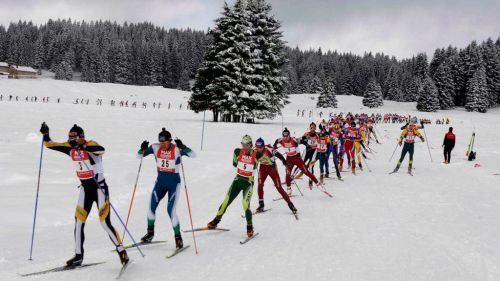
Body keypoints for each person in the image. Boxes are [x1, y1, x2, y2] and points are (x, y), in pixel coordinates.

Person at [39, 123, 128, 266]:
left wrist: (84, 147)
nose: (71, 142)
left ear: (81, 137)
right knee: (79, 222)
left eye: (74, 140)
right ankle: (78, 255)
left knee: (105, 223)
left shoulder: (91, 144)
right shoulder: (70, 148)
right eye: (70, 139)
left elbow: (101, 150)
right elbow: (50, 144)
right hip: (85, 190)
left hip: (99, 189)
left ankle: (121, 251)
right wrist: (45, 134)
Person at [138, 128, 196, 249]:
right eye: (160, 142)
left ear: (170, 140)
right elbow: (139, 156)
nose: (162, 145)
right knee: (150, 208)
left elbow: (193, 155)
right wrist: (142, 148)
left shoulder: (176, 149)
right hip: (160, 184)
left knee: (170, 210)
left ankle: (178, 238)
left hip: (174, 184)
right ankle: (150, 233)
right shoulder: (155, 147)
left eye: (165, 142)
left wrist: (183, 146)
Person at [206, 135, 273, 238]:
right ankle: (216, 220)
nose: (244, 147)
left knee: (245, 204)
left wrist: (271, 163)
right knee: (225, 202)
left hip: (248, 183)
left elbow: (268, 160)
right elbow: (234, 163)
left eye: (247, 145)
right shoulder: (237, 151)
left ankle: (249, 227)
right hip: (237, 181)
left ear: (251, 145)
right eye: (243, 144)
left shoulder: (257, 155)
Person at [254, 138, 297, 214]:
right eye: (257, 147)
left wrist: (284, 162)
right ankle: (261, 204)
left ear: (263, 146)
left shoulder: (269, 149)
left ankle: (290, 204)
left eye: (260, 147)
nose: (258, 149)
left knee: (278, 187)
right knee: (260, 185)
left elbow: (279, 155)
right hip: (262, 168)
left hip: (272, 169)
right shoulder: (254, 150)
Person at [274, 128, 321, 193]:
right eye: (284, 136)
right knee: (288, 174)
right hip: (289, 159)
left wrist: (307, 145)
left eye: (286, 136)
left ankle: (317, 183)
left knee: (305, 171)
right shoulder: (281, 140)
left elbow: (302, 141)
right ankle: (289, 189)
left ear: (289, 135)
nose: (285, 138)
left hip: (297, 158)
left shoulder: (294, 140)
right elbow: (276, 141)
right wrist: (274, 146)